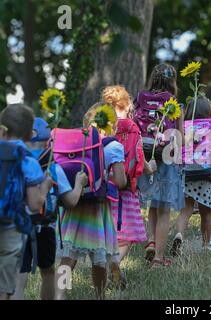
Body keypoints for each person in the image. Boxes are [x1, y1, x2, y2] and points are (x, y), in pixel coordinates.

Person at [56, 102, 127, 300]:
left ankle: (59, 294)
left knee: (68, 256)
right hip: (97, 208)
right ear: (113, 124)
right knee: (99, 258)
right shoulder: (114, 146)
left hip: (74, 203)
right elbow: (121, 181)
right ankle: (99, 295)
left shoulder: (78, 142)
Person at [11, 117, 87, 300]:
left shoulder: (14, 162)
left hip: (16, 226)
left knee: (19, 277)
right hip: (44, 227)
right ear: (48, 141)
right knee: (48, 272)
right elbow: (70, 201)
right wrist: (79, 183)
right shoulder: (52, 167)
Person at [102, 86, 156, 287]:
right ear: (128, 105)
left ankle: (108, 262)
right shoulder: (133, 128)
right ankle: (115, 262)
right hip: (126, 190)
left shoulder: (103, 127)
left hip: (105, 188)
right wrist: (150, 168)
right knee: (128, 236)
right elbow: (139, 159)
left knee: (110, 232)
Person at [0, 104, 52, 300]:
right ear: (30, 135)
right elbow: (33, 204)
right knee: (4, 287)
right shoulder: (28, 161)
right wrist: (45, 186)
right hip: (11, 230)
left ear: (2, 131)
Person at [137, 63, 185, 267]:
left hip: (145, 156)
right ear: (172, 81)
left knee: (152, 207)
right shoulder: (175, 105)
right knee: (163, 208)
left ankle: (151, 241)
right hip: (165, 157)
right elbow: (180, 137)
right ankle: (158, 258)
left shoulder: (140, 99)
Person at [171, 97, 211, 255]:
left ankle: (179, 235)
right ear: (209, 111)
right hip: (206, 173)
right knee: (206, 213)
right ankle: (206, 244)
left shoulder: (183, 126)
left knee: (185, 210)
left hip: (186, 172)